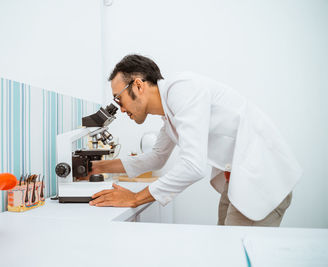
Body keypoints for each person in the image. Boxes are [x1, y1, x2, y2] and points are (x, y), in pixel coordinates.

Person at [88, 54, 302, 226]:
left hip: (261, 176)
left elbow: (193, 166)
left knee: (234, 254)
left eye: (119, 98)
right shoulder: (170, 112)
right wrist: (93, 167)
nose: (120, 108)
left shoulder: (182, 89)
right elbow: (157, 157)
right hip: (237, 179)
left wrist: (135, 198)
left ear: (138, 86)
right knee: (224, 250)